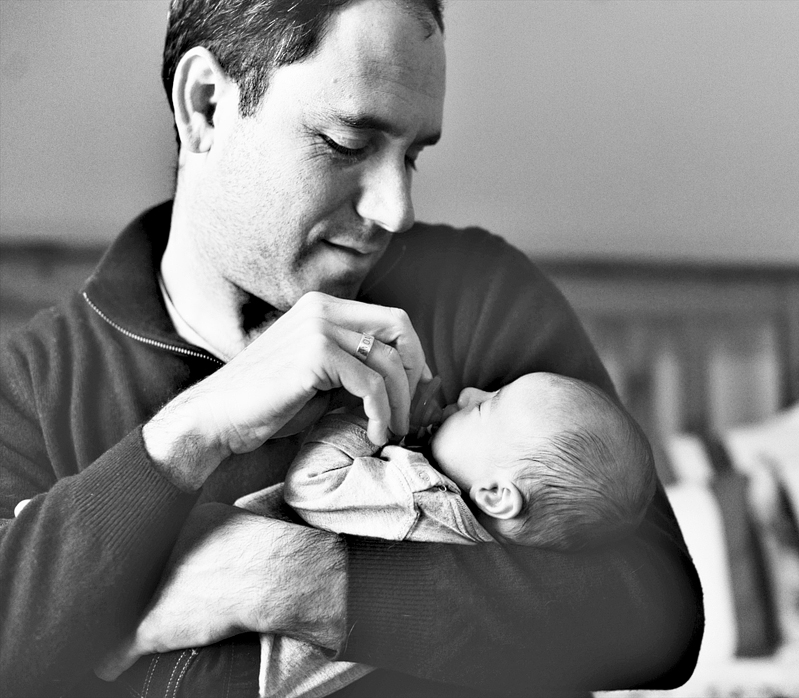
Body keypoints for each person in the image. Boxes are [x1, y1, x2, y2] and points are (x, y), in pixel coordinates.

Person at [0, 1, 704, 697]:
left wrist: (301, 578)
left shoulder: (478, 292)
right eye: (346, 142)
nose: (396, 210)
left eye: (414, 156)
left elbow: (657, 616)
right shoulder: (34, 383)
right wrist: (190, 432)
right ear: (207, 106)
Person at [245, 371, 660, 698]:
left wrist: (369, 416)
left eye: (486, 408)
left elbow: (312, 484)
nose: (468, 394)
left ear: (496, 495)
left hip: (248, 659)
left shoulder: (423, 501)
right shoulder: (477, 540)